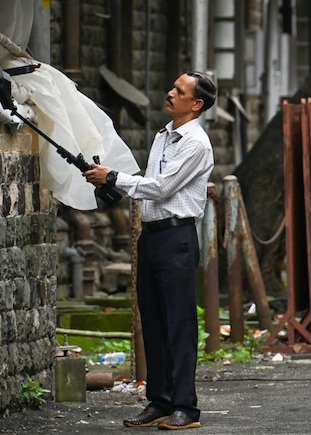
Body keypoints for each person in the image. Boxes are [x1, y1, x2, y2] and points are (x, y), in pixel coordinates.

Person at [83, 71, 216, 430]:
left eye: (179, 90)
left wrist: (113, 178)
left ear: (196, 103)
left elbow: (160, 187)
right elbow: (148, 186)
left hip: (178, 239)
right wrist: (113, 180)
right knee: (153, 320)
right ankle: (159, 401)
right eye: (173, 87)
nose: (170, 93)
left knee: (180, 323)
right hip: (152, 237)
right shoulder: (162, 135)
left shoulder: (196, 143)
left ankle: (186, 408)